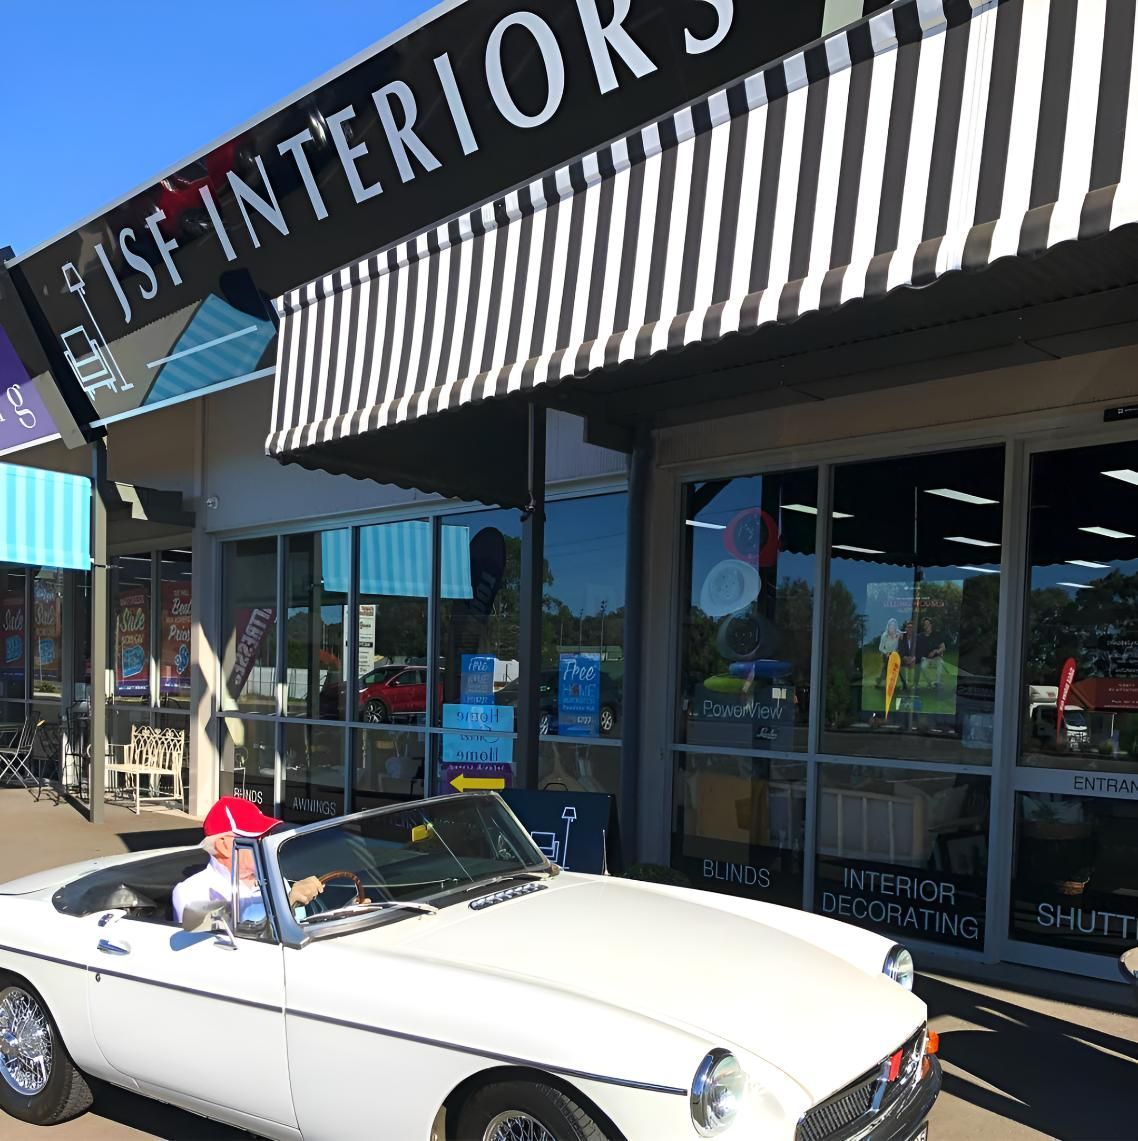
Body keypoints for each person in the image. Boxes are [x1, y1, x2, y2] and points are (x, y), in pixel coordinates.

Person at [172, 796, 324, 924]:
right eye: (257, 837)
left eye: (267, 837)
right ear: (223, 845)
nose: (265, 843)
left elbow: (299, 927)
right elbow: (219, 946)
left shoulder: (275, 879)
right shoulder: (192, 892)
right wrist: (287, 903)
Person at [915, 617, 947, 689]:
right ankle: (929, 683)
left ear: (931, 625)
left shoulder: (936, 635)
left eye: (928, 624)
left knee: (941, 663)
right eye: (925, 624)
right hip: (926, 658)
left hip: (936, 658)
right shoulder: (920, 636)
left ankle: (937, 682)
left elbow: (943, 647)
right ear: (923, 626)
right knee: (922, 667)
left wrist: (936, 651)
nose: (926, 626)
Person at [877, 619, 900, 686]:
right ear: (888, 626)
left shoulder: (897, 635)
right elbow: (880, 648)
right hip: (886, 654)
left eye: (893, 626)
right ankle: (880, 681)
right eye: (890, 626)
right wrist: (886, 653)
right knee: (886, 666)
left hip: (895, 654)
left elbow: (898, 646)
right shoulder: (884, 635)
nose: (892, 627)